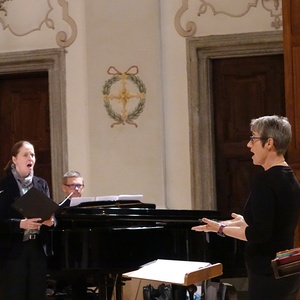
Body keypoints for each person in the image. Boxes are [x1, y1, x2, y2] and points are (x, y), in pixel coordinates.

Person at [192, 115, 300, 300]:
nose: (249, 145)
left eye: (253, 138)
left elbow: (259, 234)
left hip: (266, 273)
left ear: (269, 143)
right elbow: (272, 226)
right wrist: (241, 222)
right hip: (285, 270)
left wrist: (221, 229)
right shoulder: (289, 178)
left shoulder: (265, 181)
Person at [0, 140, 55, 300]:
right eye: (25, 154)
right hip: (13, 251)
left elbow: (50, 212)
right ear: (15, 159)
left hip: (37, 248)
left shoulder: (41, 184)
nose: (30, 158)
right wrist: (20, 224)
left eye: (32, 154)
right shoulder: (3, 186)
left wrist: (51, 222)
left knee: (37, 294)